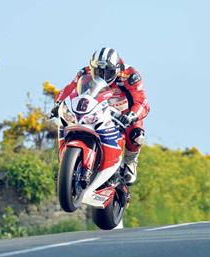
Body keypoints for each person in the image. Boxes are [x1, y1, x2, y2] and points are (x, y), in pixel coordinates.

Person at [52, 47, 150, 186]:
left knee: (137, 134)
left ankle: (130, 161)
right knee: (67, 120)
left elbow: (141, 100)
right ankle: (66, 163)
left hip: (122, 112)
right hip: (95, 108)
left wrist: (132, 115)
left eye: (107, 72)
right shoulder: (84, 72)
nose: (102, 75)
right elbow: (69, 88)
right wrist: (58, 104)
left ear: (116, 69)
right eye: (98, 71)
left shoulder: (130, 76)